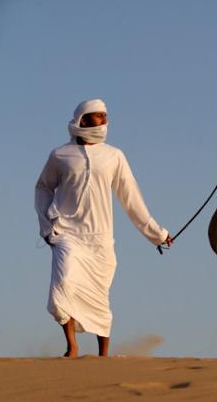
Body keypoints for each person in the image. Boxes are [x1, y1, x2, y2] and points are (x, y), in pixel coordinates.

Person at [34, 99, 172, 358]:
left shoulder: (114, 156)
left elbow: (131, 199)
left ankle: (103, 357)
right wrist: (46, 226)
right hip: (67, 233)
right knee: (62, 287)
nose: (104, 121)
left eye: (105, 116)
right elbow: (42, 187)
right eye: (98, 116)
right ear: (82, 120)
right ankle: (72, 346)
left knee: (99, 297)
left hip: (100, 238)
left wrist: (157, 234)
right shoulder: (60, 155)